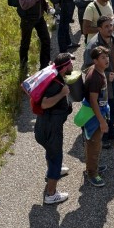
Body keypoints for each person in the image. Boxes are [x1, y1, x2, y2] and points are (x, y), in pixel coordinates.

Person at [84, 16, 114, 146]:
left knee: (113, 106)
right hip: (102, 86)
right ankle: (102, 138)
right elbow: (86, 68)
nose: (110, 28)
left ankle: (111, 132)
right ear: (99, 29)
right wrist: (104, 75)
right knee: (103, 109)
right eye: (106, 26)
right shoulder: (93, 45)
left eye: (111, 25)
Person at [34, 53, 74, 205]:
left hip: (44, 128)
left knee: (51, 153)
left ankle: (51, 171)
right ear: (64, 67)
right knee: (56, 158)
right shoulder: (54, 84)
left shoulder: (55, 77)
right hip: (50, 128)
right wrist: (62, 94)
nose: (72, 66)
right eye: (70, 64)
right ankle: (51, 194)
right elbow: (44, 104)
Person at [83, 46, 111, 187]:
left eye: (107, 57)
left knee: (93, 143)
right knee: (94, 145)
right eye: (103, 58)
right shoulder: (95, 78)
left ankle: (91, 166)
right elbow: (93, 101)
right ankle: (92, 174)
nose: (106, 60)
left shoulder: (99, 71)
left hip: (98, 113)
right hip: (94, 116)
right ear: (95, 60)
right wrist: (102, 121)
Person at [18, 0, 51, 71]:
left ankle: (44, 66)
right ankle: (23, 66)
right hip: (27, 20)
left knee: (46, 40)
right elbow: (24, 5)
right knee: (25, 44)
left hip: (39, 18)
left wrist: (47, 7)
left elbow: (42, 0)